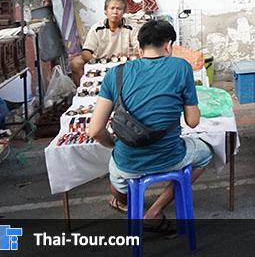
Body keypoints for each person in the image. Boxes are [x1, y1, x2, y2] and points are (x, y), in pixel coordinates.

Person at [88, 19, 212, 230]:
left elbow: (95, 131)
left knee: (117, 175)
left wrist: (113, 145)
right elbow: (193, 122)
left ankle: (123, 202)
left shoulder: (115, 73)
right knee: (206, 154)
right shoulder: (180, 67)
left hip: (127, 163)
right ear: (169, 45)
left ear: (139, 48)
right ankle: (155, 211)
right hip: (171, 156)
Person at [70, 0, 139, 85]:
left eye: (119, 9)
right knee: (75, 63)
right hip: (101, 62)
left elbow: (139, 48)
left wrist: (134, 54)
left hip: (124, 61)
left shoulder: (132, 27)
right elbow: (86, 51)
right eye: (112, 8)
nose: (115, 12)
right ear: (105, 11)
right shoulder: (97, 28)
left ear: (124, 12)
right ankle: (84, 90)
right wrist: (97, 63)